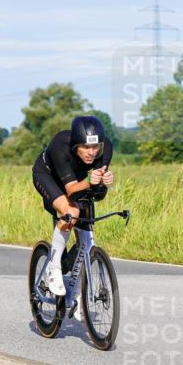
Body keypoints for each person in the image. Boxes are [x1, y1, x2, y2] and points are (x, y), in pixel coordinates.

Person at [32, 115, 115, 300]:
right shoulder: (60, 145)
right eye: (86, 147)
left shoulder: (106, 148)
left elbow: (98, 193)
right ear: (76, 145)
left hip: (76, 180)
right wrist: (88, 181)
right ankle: (54, 268)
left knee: (86, 237)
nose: (91, 152)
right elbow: (70, 190)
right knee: (71, 212)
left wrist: (104, 182)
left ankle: (76, 290)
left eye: (95, 147)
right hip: (48, 177)